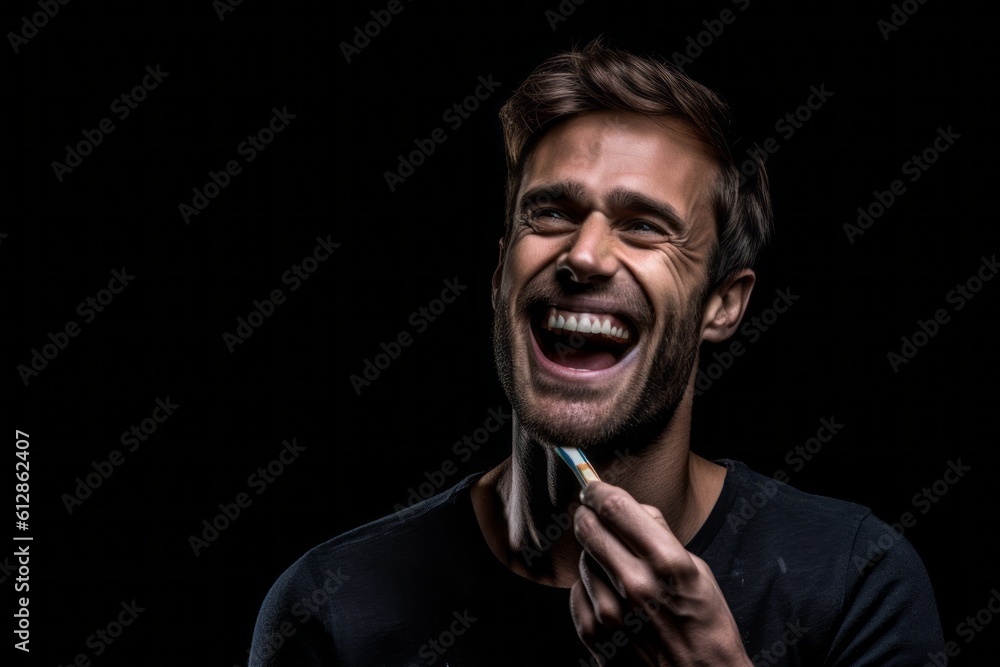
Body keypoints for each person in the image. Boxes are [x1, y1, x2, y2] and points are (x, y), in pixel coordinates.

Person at [250, 40, 945, 666]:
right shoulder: (330, 607)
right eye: (551, 212)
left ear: (722, 304)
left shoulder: (858, 581)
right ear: (499, 276)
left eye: (644, 226)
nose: (583, 255)